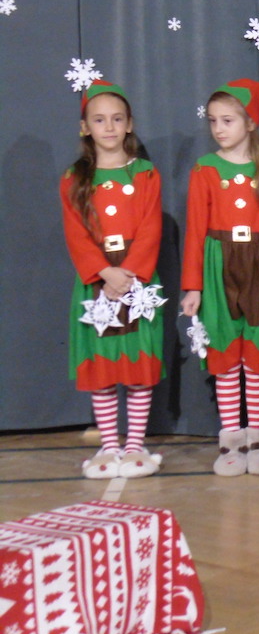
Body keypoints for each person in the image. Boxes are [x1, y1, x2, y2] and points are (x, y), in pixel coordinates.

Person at [180, 79, 259, 477]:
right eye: (213, 120)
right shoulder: (205, 169)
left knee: (258, 354)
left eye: (227, 120)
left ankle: (257, 442)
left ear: (250, 122)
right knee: (226, 352)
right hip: (218, 265)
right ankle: (231, 441)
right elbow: (195, 231)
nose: (218, 128)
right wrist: (193, 287)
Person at [60, 81, 165, 479]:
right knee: (102, 367)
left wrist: (129, 273)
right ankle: (109, 445)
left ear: (129, 124)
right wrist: (104, 272)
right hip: (97, 279)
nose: (108, 127)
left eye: (117, 119)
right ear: (85, 127)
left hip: (136, 278)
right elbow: (75, 233)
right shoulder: (74, 178)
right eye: (99, 120)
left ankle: (135, 445)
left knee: (138, 364)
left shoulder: (145, 174)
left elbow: (151, 228)